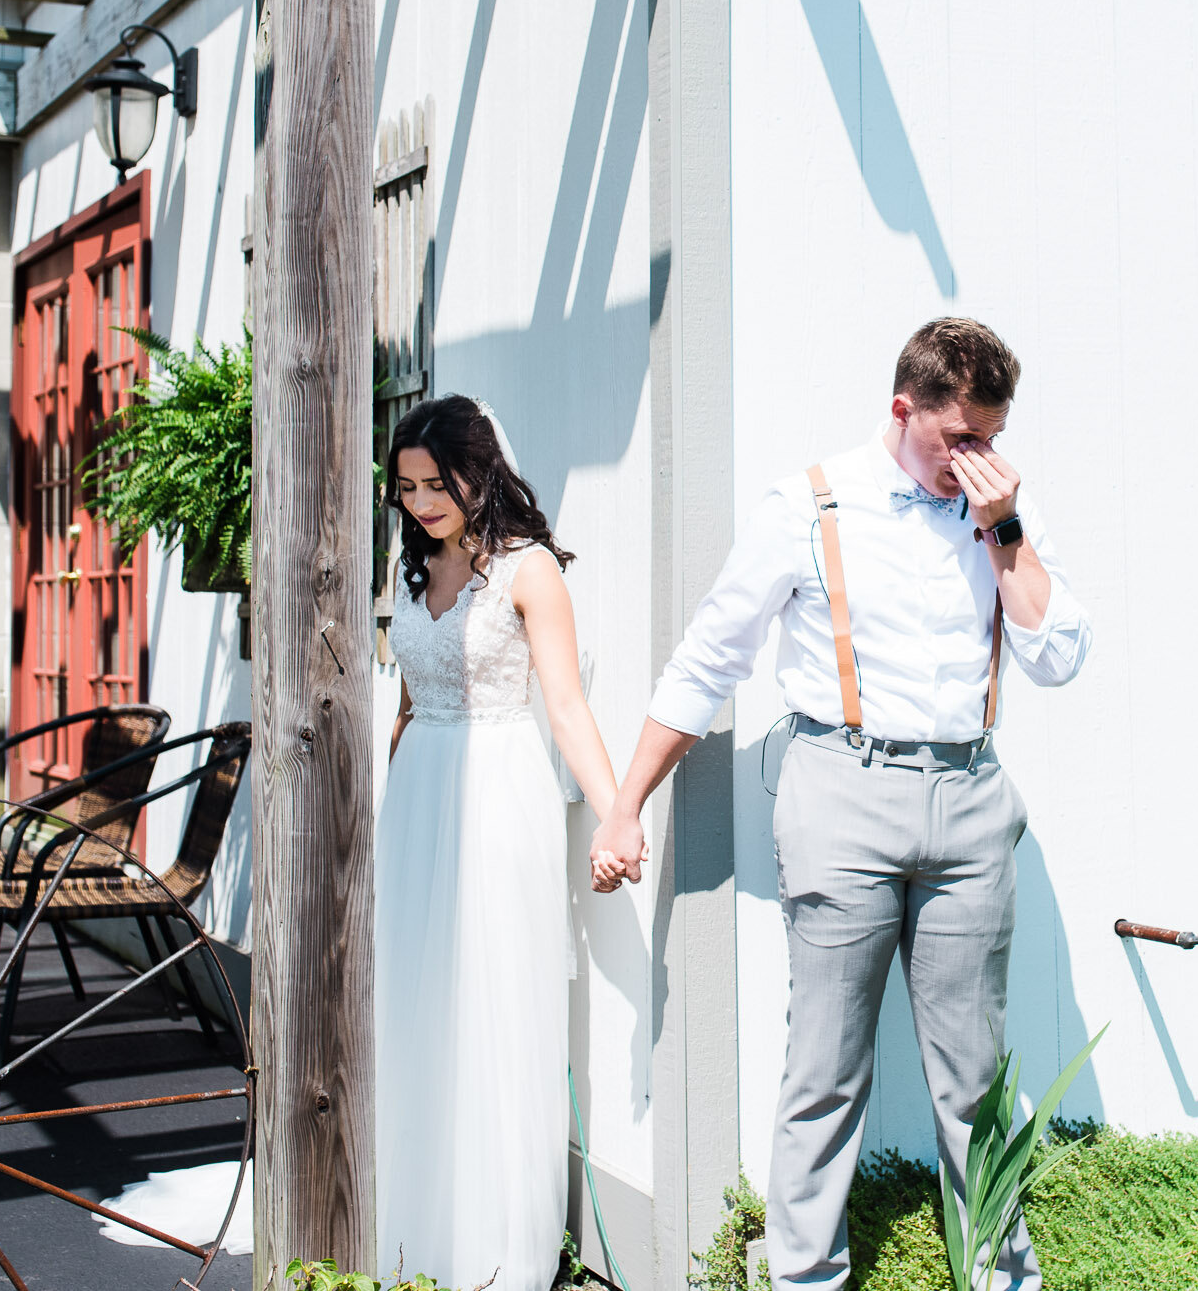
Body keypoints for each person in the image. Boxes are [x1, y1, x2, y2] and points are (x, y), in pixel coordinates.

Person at [589, 319, 1091, 1291]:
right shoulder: (809, 504)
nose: (976, 460)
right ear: (903, 409)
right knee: (824, 1065)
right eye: (959, 439)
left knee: (973, 1075)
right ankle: (805, 1278)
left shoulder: (997, 513)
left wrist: (1006, 530)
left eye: (990, 437)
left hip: (969, 794)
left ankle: (999, 1275)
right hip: (840, 790)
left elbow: (1057, 655)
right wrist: (625, 806)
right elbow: (709, 659)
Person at [375, 395, 619, 1291]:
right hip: (419, 795)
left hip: (499, 788)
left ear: (481, 472)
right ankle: (411, 1219)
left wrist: (616, 809)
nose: (421, 502)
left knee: (492, 996)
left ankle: (491, 1244)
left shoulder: (529, 572)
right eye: (405, 487)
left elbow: (566, 707)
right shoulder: (410, 569)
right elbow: (403, 701)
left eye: (437, 483)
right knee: (414, 996)